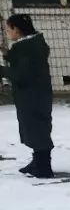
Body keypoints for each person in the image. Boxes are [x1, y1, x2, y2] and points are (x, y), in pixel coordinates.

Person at [1, 14, 54, 179]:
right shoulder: (32, 44)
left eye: (8, 29)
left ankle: (44, 167)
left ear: (16, 30)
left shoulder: (28, 48)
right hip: (35, 93)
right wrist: (6, 53)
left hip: (32, 95)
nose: (7, 32)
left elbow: (21, 73)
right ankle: (37, 161)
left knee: (37, 128)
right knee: (34, 128)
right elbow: (23, 62)